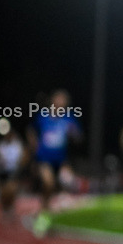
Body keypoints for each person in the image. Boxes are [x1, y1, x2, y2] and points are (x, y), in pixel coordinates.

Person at [28, 90, 82, 236]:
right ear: (53, 101)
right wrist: (34, 146)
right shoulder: (43, 116)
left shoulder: (69, 118)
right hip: (43, 158)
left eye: (64, 101)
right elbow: (31, 131)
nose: (61, 103)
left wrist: (73, 132)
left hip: (60, 161)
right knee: (49, 183)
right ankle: (44, 215)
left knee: (53, 189)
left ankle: (43, 215)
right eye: (59, 100)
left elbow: (78, 137)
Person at [0, 129, 27, 224]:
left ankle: (10, 207)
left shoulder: (17, 145)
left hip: (13, 171)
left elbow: (24, 156)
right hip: (2, 171)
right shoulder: (1, 145)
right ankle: (4, 208)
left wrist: (21, 164)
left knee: (12, 190)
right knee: (3, 192)